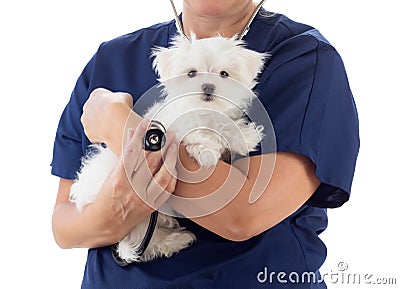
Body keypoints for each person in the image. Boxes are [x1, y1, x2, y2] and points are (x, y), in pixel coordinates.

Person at [50, 1, 359, 288]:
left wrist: (120, 126)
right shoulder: (112, 57)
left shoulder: (305, 59)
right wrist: (111, 213)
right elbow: (64, 227)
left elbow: (242, 216)